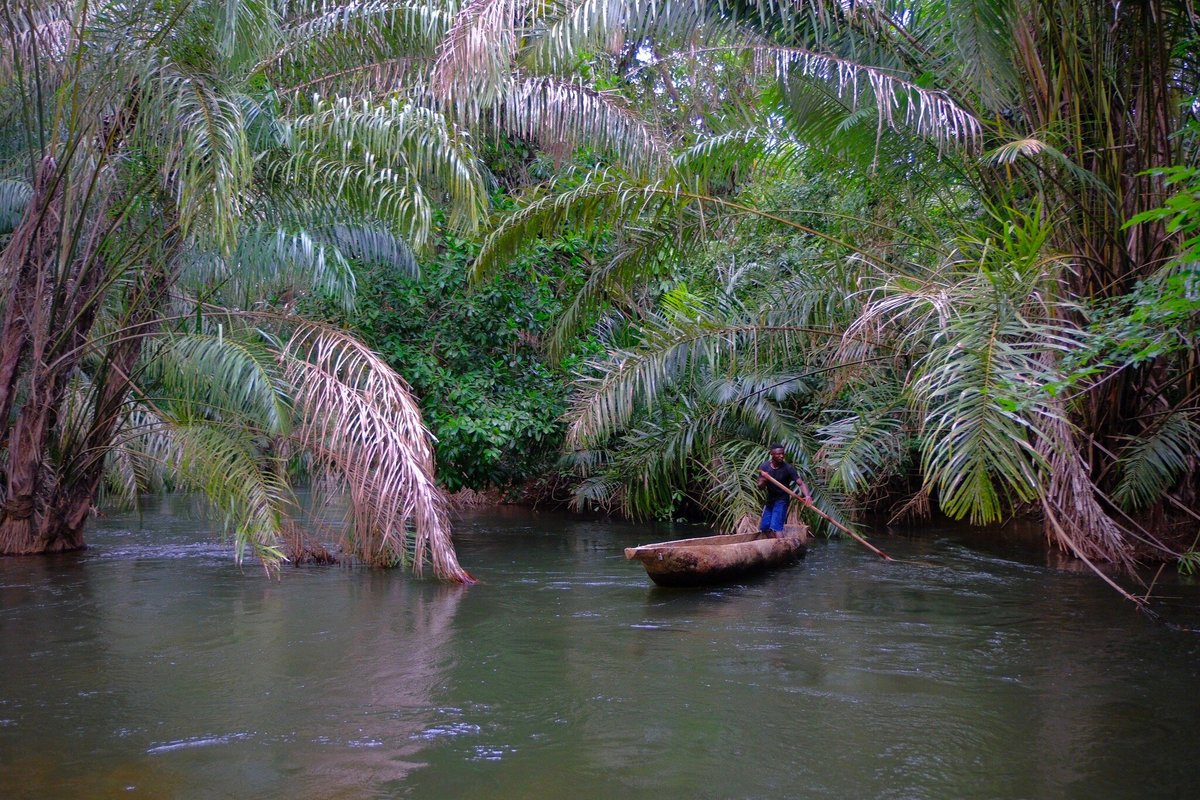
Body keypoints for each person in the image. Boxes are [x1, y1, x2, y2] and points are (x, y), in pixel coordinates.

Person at [757, 444, 812, 538]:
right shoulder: (764, 467)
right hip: (770, 500)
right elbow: (760, 487)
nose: (781, 456)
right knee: (764, 527)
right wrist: (763, 480)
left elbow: (801, 483)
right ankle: (774, 547)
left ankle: (783, 547)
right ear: (772, 454)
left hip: (782, 500)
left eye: (782, 453)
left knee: (776, 527)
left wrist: (807, 496)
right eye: (778, 454)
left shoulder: (788, 468)